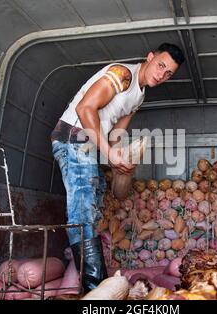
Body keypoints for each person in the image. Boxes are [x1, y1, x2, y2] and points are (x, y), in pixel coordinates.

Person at [50, 43, 185, 293]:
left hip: (88, 146)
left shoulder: (140, 95)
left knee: (98, 192)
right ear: (150, 57)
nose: (162, 74)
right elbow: (85, 108)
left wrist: (120, 156)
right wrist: (109, 153)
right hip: (73, 138)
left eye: (169, 73)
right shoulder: (123, 75)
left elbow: (116, 133)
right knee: (83, 209)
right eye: (161, 65)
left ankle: (98, 283)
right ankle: (96, 290)